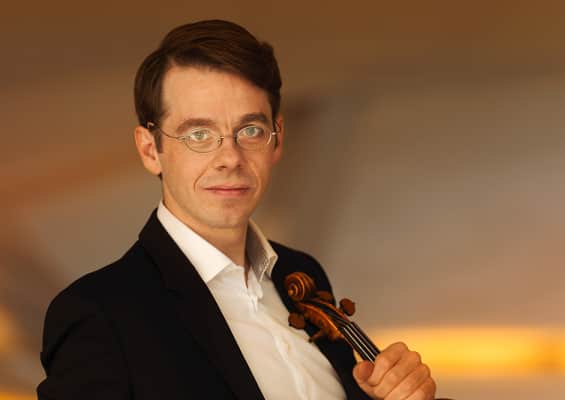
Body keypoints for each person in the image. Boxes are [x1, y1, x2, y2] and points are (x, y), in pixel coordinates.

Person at [37, 20, 437, 400]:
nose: (230, 157)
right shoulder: (100, 314)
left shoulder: (302, 275)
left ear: (276, 140)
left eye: (251, 130)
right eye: (199, 134)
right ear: (150, 149)